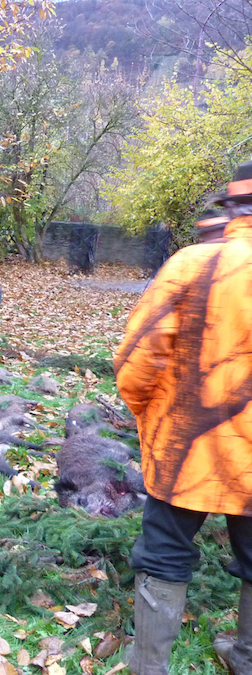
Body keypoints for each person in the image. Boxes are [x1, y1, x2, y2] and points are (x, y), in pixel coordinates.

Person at [114, 160, 252, 675]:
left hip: (189, 447)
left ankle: (149, 668)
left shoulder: (194, 265)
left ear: (234, 207)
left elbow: (136, 360)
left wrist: (149, 419)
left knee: (165, 552)